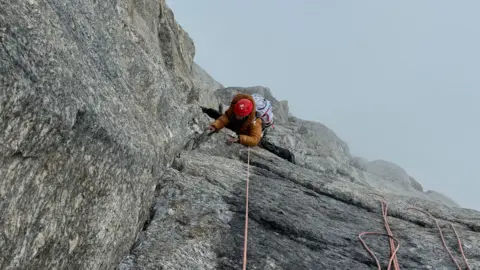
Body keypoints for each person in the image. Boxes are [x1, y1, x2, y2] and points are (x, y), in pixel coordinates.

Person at [201, 93, 296, 164]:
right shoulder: (235, 106)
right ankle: (205, 110)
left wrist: (239, 139)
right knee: (220, 116)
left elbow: (254, 139)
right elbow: (226, 117)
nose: (237, 116)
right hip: (240, 125)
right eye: (236, 114)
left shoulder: (256, 122)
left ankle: (287, 155)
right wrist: (215, 126)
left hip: (251, 131)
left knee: (262, 144)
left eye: (240, 115)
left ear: (247, 114)